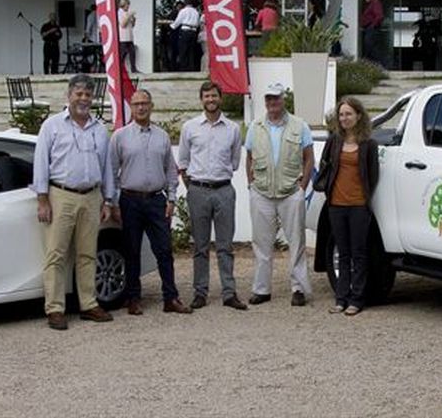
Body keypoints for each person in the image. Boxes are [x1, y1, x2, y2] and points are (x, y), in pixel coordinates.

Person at [31, 73, 119, 331]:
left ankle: (89, 304)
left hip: (91, 197)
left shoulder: (99, 129)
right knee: (56, 254)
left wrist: (108, 200)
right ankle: (55, 309)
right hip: (61, 195)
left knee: (87, 254)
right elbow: (41, 163)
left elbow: (107, 168)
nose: (83, 99)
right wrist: (42, 199)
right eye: (78, 94)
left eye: (87, 94)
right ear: (68, 95)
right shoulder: (52, 126)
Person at [109, 89, 193, 315]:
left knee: (164, 250)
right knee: (132, 251)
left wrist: (172, 198)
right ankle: (133, 298)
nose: (141, 107)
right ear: (131, 107)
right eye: (137, 104)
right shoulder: (120, 136)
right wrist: (113, 202)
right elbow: (112, 171)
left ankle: (170, 298)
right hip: (130, 201)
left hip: (157, 200)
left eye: (145, 103)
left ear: (151, 106)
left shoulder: (162, 136)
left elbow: (170, 170)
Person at [178, 81, 247, 311]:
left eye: (214, 96)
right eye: (206, 96)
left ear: (220, 98)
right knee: (200, 246)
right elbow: (183, 163)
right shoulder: (190, 127)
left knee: (225, 245)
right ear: (201, 99)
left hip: (224, 190)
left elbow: (234, 162)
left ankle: (229, 292)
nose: (210, 100)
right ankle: (200, 292)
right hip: (198, 190)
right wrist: (193, 188)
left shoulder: (233, 129)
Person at [245, 83, 314, 307]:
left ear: (283, 99)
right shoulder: (255, 126)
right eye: (269, 99)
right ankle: (261, 289)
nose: (272, 102)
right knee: (261, 243)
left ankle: (298, 289)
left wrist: (303, 187)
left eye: (276, 98)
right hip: (262, 192)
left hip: (291, 192)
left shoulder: (299, 125)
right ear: (265, 101)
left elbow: (309, 158)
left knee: (297, 242)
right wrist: (250, 184)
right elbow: (249, 157)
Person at [317, 96, 379, 316]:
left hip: (359, 206)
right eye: (341, 114)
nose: (344, 118)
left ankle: (357, 299)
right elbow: (325, 167)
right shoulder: (334, 141)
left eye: (348, 114)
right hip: (336, 205)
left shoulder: (369, 144)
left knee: (359, 253)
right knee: (342, 253)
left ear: (358, 116)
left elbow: (373, 175)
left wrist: (364, 199)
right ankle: (341, 298)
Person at [169, 0, 202, 72]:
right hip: (193, 31)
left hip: (185, 31)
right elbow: (198, 23)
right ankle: (191, 68)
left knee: (183, 50)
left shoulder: (183, 11)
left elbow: (178, 21)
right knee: (191, 51)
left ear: (185, 3)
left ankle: (184, 68)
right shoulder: (196, 12)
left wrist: (172, 26)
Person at [360, 0, 384, 66]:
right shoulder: (371, 4)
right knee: (369, 47)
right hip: (369, 28)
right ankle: (372, 64)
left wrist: (372, 26)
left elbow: (379, 16)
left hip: (372, 29)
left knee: (371, 47)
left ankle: (380, 64)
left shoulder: (375, 3)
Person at [118, 0, 138, 74]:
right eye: (127, 5)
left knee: (132, 53)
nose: (128, 7)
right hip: (123, 38)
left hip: (129, 37)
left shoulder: (126, 13)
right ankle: (119, 70)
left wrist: (134, 20)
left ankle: (133, 69)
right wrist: (129, 15)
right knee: (122, 54)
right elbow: (123, 24)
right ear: (124, 5)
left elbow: (132, 26)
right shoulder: (120, 12)